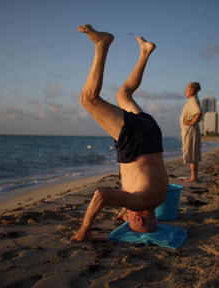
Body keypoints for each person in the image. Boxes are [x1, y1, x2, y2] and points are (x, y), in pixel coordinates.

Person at [71, 25, 169, 242]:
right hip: (137, 140)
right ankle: (102, 43)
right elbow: (102, 195)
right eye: (130, 221)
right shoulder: (140, 203)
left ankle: (145, 51)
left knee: (123, 93)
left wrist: (126, 207)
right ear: (140, 220)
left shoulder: (158, 198)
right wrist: (85, 228)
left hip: (152, 134)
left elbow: (138, 183)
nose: (125, 218)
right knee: (89, 99)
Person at [179, 82, 202, 182]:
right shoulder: (192, 100)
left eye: (186, 89)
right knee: (192, 153)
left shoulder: (193, 101)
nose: (185, 91)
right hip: (190, 130)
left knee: (192, 153)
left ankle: (193, 177)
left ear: (192, 91)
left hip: (191, 130)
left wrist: (192, 122)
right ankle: (193, 176)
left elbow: (198, 113)